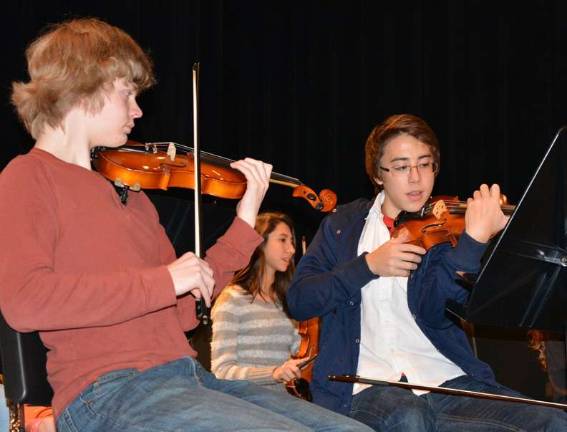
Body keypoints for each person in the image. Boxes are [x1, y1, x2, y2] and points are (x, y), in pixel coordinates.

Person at [0, 18, 373, 432]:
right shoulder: (28, 178)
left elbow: (182, 314)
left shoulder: (133, 195)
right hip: (107, 391)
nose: (138, 111)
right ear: (84, 85)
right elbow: (24, 301)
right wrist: (164, 280)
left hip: (186, 377)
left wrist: (246, 216)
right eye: (128, 94)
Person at [286, 113, 567, 431]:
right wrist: (368, 266)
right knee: (408, 416)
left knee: (553, 421)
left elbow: (437, 311)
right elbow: (300, 300)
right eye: (402, 166)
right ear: (379, 175)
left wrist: (473, 243)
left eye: (425, 164)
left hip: (444, 381)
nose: (416, 178)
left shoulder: (443, 231)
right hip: (367, 388)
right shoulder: (342, 227)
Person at [211, 212, 306, 391]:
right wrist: (273, 373)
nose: (292, 249)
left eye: (292, 241)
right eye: (283, 240)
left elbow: (298, 350)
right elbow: (221, 372)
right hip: (246, 402)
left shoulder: (285, 301)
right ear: (260, 243)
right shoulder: (232, 299)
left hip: (283, 400)